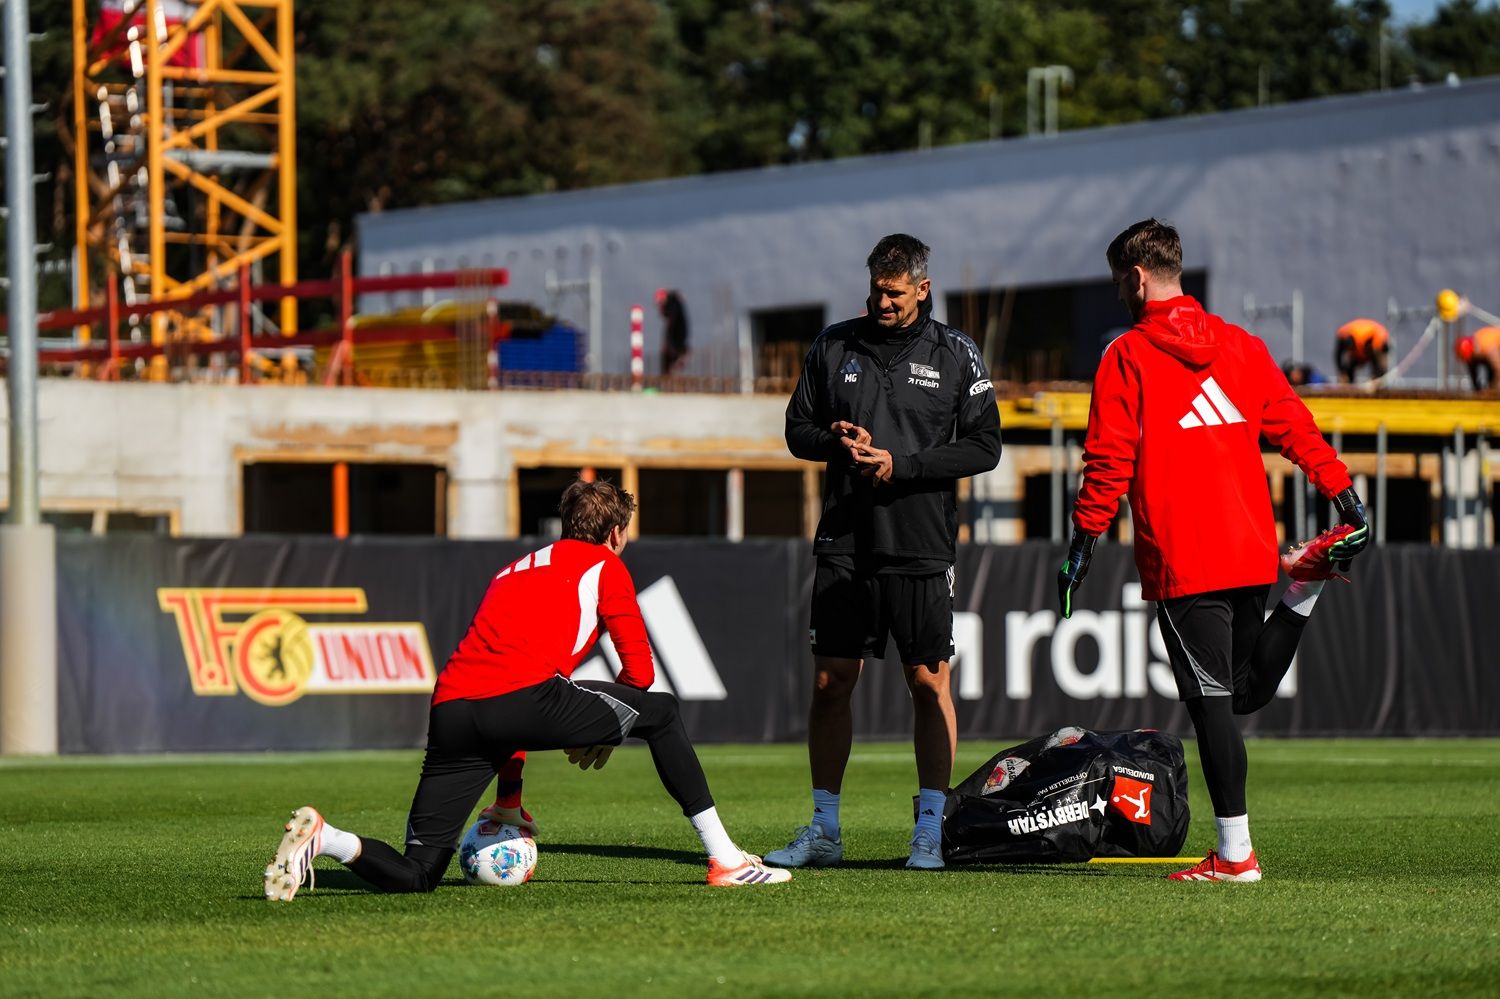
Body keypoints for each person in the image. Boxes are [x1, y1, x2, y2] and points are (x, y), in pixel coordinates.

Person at [263, 479, 790, 900]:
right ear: (615, 534)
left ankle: (328, 840)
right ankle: (726, 860)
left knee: (419, 873)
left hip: (451, 710)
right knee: (665, 712)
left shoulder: (511, 569)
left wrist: (509, 800)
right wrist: (607, 731)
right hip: (522, 699)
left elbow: (500, 695)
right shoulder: (606, 564)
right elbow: (640, 676)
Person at [1058, 219, 1369, 883]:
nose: (1120, 293)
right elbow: (1295, 426)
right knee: (1243, 692)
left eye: (1120, 281)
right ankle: (1304, 588)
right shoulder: (1243, 346)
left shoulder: (1126, 356)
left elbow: (1108, 461)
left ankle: (1235, 855)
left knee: (1212, 704)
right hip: (1250, 547)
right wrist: (1344, 492)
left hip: (1185, 556)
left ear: (1137, 278)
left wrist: (1082, 539)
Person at [773, 233, 1002, 870]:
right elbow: (796, 430)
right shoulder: (833, 344)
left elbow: (986, 447)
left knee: (928, 684)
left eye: (896, 293)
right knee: (829, 684)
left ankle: (929, 828)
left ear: (922, 289)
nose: (883, 303)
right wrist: (835, 441)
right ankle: (825, 830)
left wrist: (903, 466)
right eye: (876, 290)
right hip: (846, 541)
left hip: (922, 544)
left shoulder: (956, 353)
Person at [1333, 318, 1390, 383]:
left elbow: (1378, 359)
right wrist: (1342, 372)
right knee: (1349, 369)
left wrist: (1376, 375)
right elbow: (1337, 355)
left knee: (1379, 368)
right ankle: (1348, 383)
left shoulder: (1375, 341)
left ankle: (1376, 380)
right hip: (1361, 344)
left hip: (1370, 343)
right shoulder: (1344, 335)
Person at [657, 288, 690, 375]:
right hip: (679, 335)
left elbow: (670, 320)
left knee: (671, 354)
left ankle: (672, 368)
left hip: (676, 336)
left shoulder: (672, 305)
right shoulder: (674, 302)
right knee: (672, 354)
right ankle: (675, 364)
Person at [1458, 326, 1500, 390]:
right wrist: (1476, 388)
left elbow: (1498, 369)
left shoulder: (1488, 346)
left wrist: (1492, 388)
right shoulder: (1475, 345)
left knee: (1493, 371)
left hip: (1494, 351)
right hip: (1486, 354)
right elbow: (1472, 368)